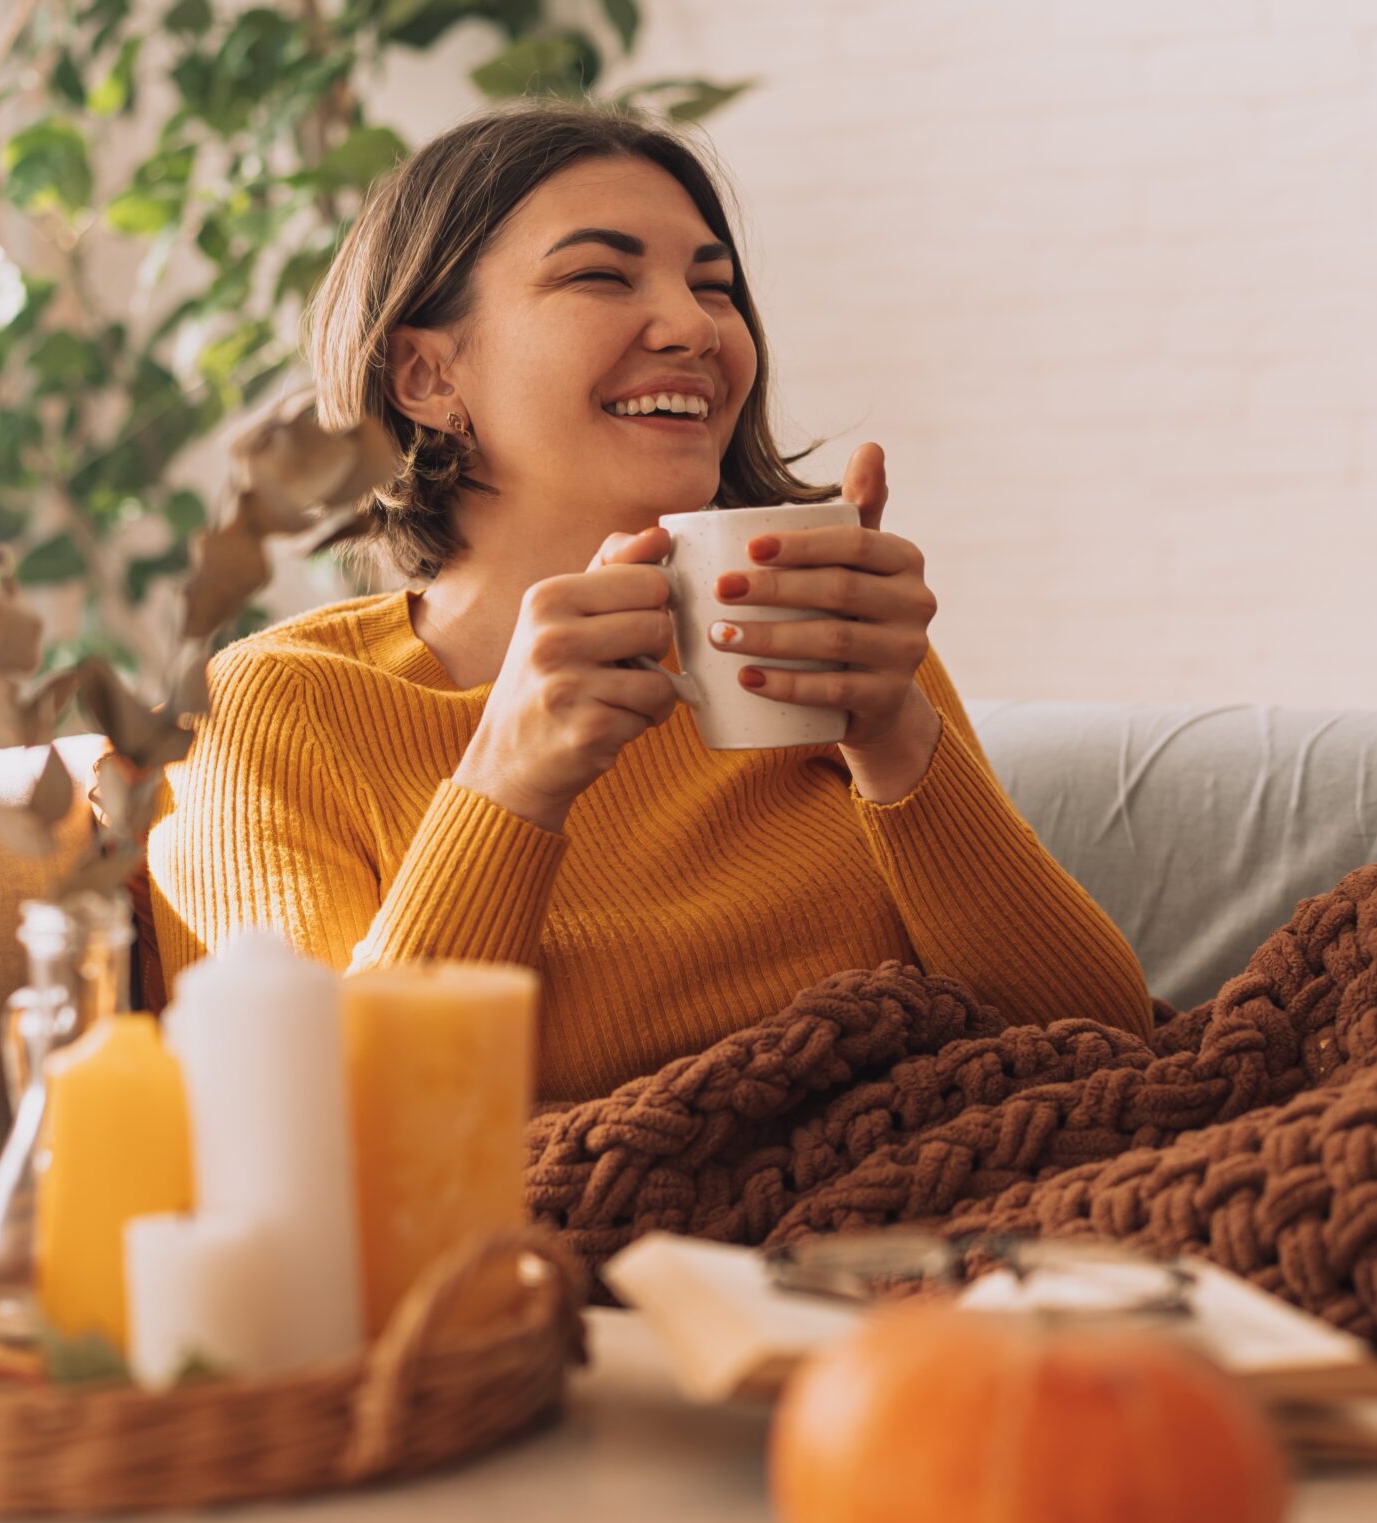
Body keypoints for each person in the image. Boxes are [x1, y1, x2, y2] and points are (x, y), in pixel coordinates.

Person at [148, 101, 1151, 1104]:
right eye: (599, 274)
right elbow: (311, 1142)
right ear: (425, 373)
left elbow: (1112, 1051)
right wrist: (509, 783)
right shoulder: (274, 709)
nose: (694, 328)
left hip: (955, 1204)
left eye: (713, 287)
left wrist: (895, 736)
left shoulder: (826, 636)